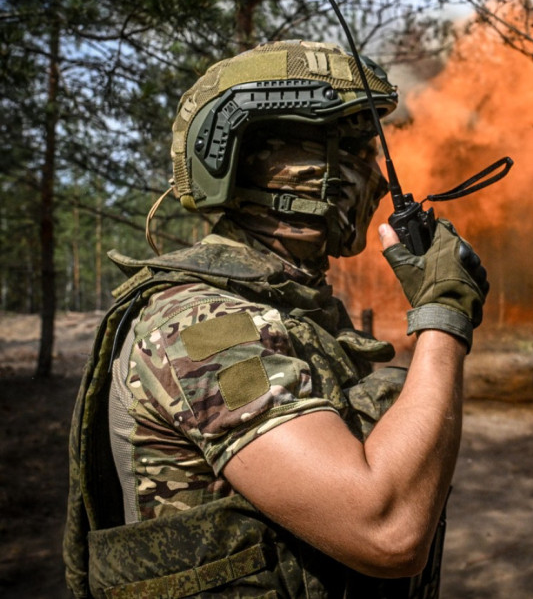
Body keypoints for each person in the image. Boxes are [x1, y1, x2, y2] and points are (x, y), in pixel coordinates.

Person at [64, 39, 488, 598]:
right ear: (282, 169)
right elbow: (386, 529)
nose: (380, 179)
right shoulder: (204, 326)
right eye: (360, 152)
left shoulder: (290, 309)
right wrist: (443, 315)